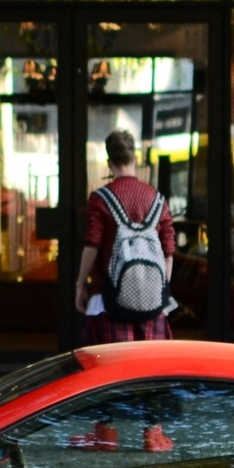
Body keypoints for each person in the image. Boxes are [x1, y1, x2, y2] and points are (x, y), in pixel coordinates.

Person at [75, 128, 176, 344]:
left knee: (110, 372)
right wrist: (157, 293)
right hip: (151, 309)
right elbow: (169, 252)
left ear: (109, 162)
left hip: (109, 305)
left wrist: (80, 284)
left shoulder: (101, 199)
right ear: (136, 159)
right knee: (149, 372)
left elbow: (92, 245)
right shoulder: (157, 200)